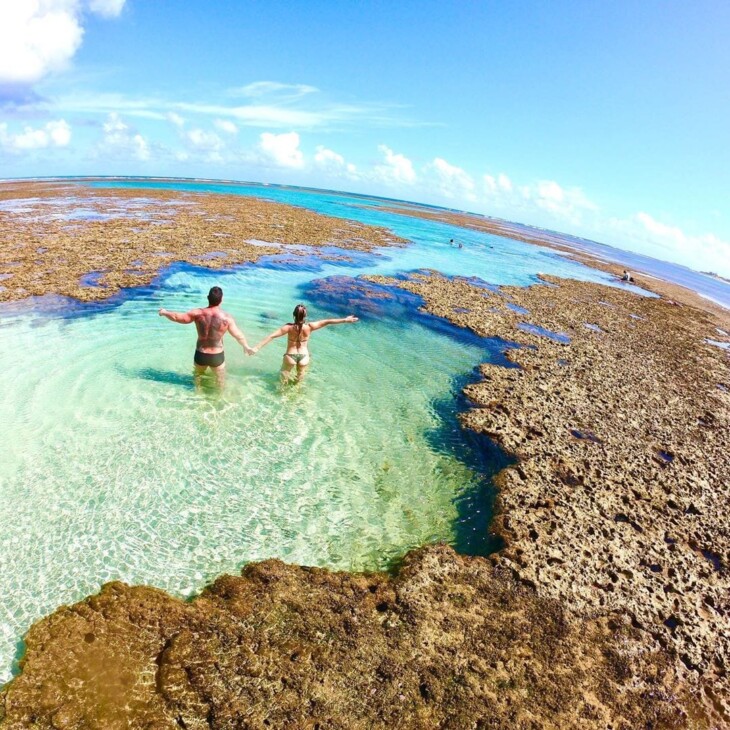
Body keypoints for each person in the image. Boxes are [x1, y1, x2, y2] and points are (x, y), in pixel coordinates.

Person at [158, 286, 254, 385]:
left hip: (201, 353)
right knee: (220, 381)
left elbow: (177, 317)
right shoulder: (226, 318)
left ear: (208, 298)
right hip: (216, 355)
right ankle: (219, 399)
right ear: (221, 299)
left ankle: (197, 396)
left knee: (197, 378)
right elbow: (238, 335)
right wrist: (246, 347)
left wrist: (164, 312)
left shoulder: (197, 313)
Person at [253, 304, 358, 383]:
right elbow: (327, 321)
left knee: (283, 380)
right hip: (304, 356)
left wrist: (256, 348)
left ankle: (282, 396)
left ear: (293, 315)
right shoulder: (310, 327)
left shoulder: (288, 327)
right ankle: (297, 398)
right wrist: (345, 320)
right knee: (299, 380)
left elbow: (271, 336)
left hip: (290, 356)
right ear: (305, 316)